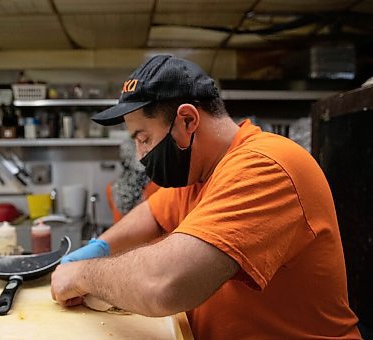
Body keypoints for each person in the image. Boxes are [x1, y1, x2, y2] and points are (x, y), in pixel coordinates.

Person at [51, 55, 361, 339]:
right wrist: (97, 247)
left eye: (143, 138)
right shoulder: (199, 173)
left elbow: (164, 284)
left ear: (187, 121)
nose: (141, 154)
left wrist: (83, 274)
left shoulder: (265, 166)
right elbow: (151, 215)